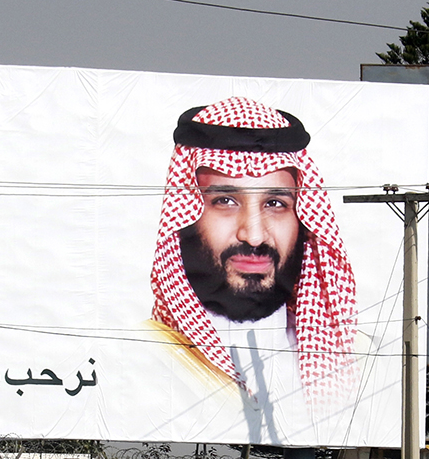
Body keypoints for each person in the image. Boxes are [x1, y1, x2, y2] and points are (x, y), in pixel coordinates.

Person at [149, 97, 358, 419]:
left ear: (303, 220)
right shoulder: (145, 355)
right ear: (185, 214)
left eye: (275, 203)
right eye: (225, 201)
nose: (255, 236)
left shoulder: (358, 359)